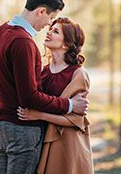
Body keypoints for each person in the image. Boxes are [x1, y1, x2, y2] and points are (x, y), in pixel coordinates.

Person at [0, 0, 89, 174]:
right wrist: (70, 106)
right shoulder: (24, 42)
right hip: (23, 129)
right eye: (50, 18)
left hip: (2, 126)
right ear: (41, 11)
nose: (48, 25)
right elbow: (29, 98)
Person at [18, 17, 94, 174]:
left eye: (56, 31)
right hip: (44, 140)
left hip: (68, 145)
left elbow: (74, 119)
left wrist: (39, 115)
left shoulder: (78, 74)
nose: (49, 32)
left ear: (66, 44)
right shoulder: (42, 71)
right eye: (50, 29)